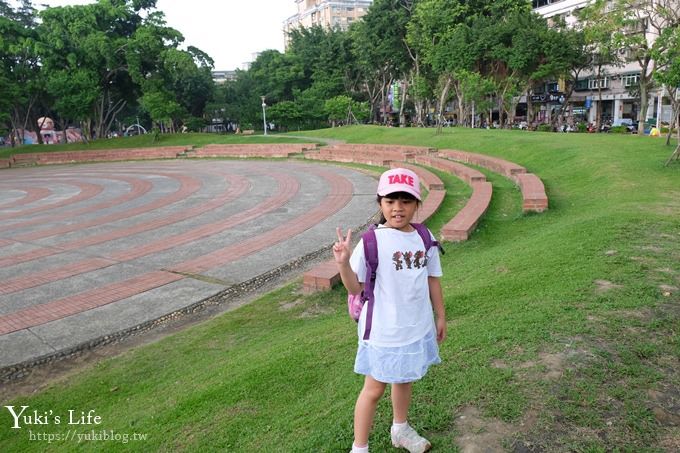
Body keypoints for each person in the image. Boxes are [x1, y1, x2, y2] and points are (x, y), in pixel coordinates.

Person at [333, 168, 447, 453]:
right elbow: (355, 289)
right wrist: (343, 264)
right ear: (380, 203)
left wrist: (440, 315)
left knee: (404, 378)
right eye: (390, 201)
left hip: (416, 326)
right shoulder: (372, 241)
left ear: (416, 204)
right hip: (383, 330)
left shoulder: (423, 236)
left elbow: (432, 278)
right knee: (374, 389)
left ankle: (400, 428)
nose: (398, 208)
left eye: (405, 201)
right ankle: (359, 448)